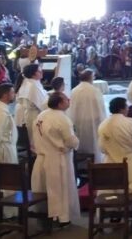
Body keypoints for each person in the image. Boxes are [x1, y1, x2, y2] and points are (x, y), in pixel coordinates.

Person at [32, 93, 81, 227]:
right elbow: (70, 140)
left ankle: (46, 215)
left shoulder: (41, 116)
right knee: (60, 190)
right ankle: (62, 217)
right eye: (66, 99)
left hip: (41, 157)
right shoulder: (62, 118)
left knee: (45, 189)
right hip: (57, 159)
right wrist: (76, 142)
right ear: (60, 103)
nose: (69, 100)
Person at [98, 97, 132, 225]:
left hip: (111, 163)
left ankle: (114, 215)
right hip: (130, 161)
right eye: (126, 107)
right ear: (122, 109)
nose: (128, 109)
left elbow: (102, 148)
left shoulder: (103, 125)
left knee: (113, 190)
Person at [69, 69, 106, 161]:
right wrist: (103, 121)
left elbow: (71, 108)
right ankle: (94, 162)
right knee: (93, 143)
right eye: (93, 76)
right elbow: (100, 108)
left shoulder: (74, 90)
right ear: (90, 78)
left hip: (77, 120)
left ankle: (80, 161)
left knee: (80, 141)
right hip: (92, 121)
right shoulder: (95, 91)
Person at [15, 63, 48, 150]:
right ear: (33, 74)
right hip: (35, 115)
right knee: (37, 139)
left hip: (30, 113)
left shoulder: (30, 82)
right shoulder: (33, 86)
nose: (42, 72)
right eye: (39, 71)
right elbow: (43, 104)